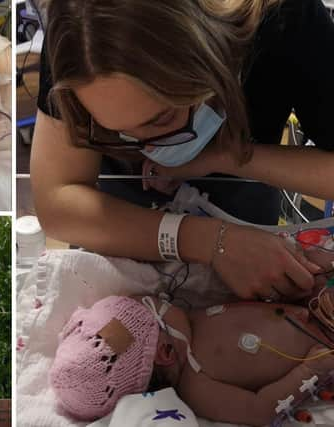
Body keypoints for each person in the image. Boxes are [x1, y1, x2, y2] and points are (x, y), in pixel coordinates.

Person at [30, 0, 334, 301]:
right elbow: (58, 204)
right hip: (115, 212)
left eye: (160, 118)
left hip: (245, 195)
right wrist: (208, 241)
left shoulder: (288, 18)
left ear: (217, 58)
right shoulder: (77, 29)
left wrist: (231, 157)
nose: (146, 148)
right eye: (110, 128)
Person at [49, 293, 334, 425]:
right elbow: (259, 410)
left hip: (318, 307)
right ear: (166, 352)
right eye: (153, 303)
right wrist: (311, 370)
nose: (158, 295)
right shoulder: (198, 387)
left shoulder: (192, 321)